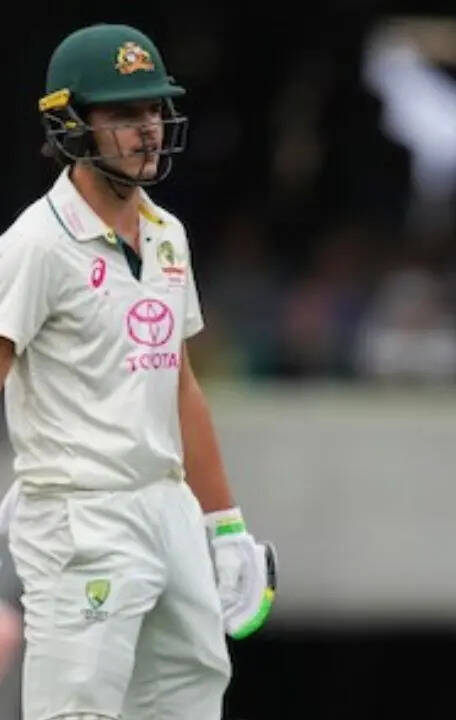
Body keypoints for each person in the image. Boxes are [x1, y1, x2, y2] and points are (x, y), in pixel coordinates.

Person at [0, 24, 276, 719]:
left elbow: (178, 384)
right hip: (79, 512)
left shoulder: (166, 233)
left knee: (191, 693)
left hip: (166, 503)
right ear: (71, 124)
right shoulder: (35, 244)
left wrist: (225, 524)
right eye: (124, 113)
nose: (148, 128)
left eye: (154, 108)